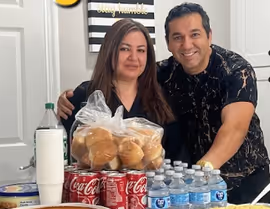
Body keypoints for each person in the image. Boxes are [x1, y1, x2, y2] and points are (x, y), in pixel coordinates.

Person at [59, 3, 270, 204]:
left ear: (209, 36)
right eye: (178, 37)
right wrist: (68, 99)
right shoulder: (163, 75)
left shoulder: (236, 70)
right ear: (168, 43)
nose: (187, 44)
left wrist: (198, 175)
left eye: (195, 35)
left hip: (245, 187)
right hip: (177, 193)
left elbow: (235, 128)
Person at [58, 18, 179, 161]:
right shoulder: (84, 95)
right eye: (125, 49)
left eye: (141, 50)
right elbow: (61, 154)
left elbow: (176, 157)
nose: (133, 57)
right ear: (109, 51)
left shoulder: (162, 99)